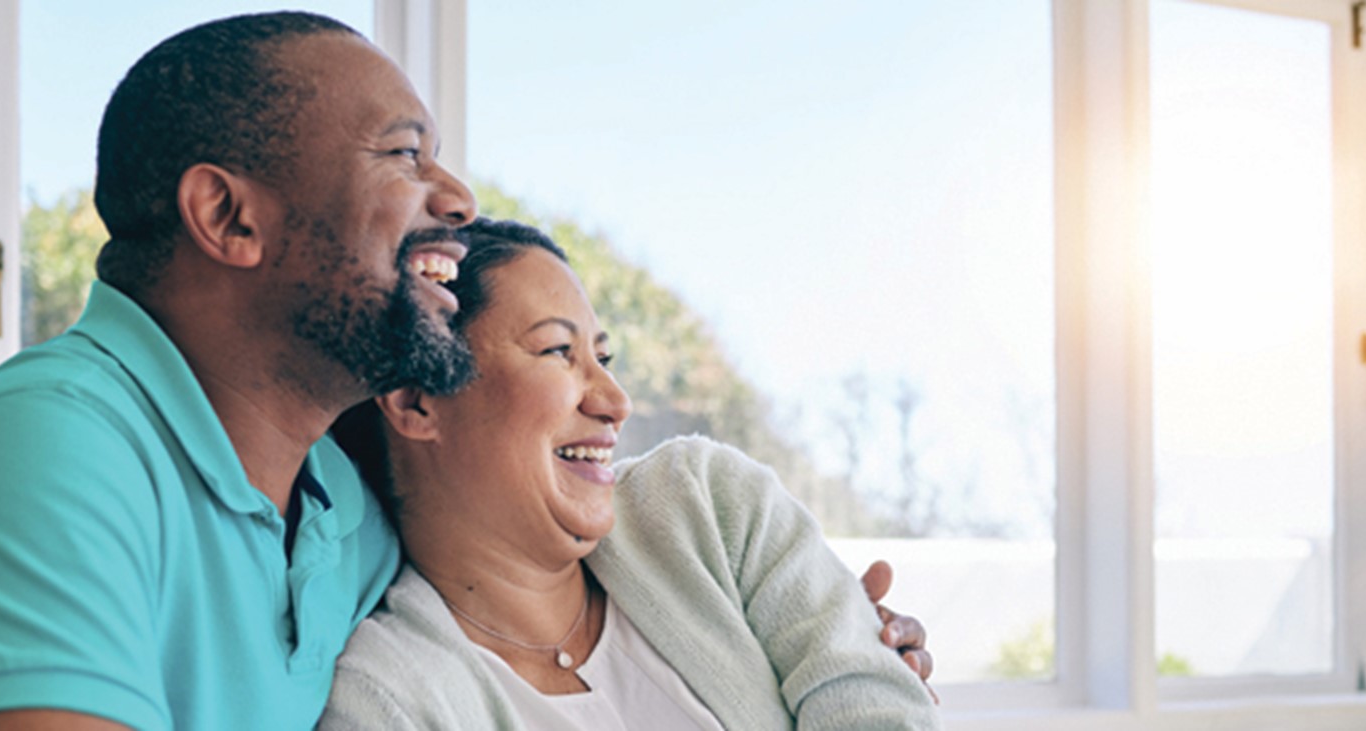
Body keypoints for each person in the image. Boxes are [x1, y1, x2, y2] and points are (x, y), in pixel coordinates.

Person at [0, 11, 927, 731]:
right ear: (230, 216)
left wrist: (844, 644)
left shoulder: (341, 520)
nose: (456, 197)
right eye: (402, 153)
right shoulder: (49, 450)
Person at [319, 219, 941, 730]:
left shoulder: (708, 506)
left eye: (604, 356)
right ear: (415, 401)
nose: (615, 400)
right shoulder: (389, 701)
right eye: (558, 352)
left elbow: (877, 708)